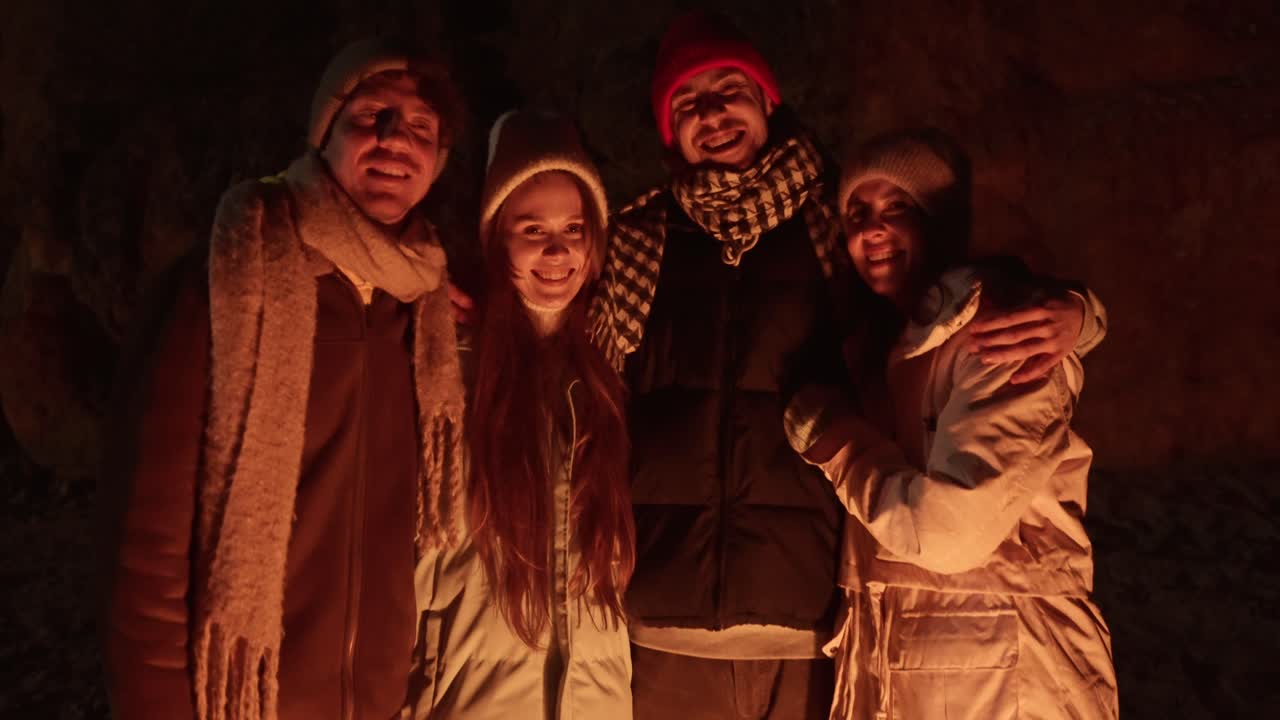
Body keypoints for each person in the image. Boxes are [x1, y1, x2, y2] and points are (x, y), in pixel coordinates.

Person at [585, 11, 1109, 719]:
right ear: (668, 131)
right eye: (687, 103)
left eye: (729, 89)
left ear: (768, 100)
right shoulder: (636, 243)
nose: (711, 114)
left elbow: (973, 282)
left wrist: (1078, 313)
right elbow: (570, 355)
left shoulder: (830, 224)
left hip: (810, 618)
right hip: (674, 616)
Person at [101, 39, 467, 720]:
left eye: (421, 127)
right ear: (325, 132)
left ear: (437, 160)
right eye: (372, 115)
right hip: (242, 697)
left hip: (377, 699)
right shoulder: (232, 278)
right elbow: (148, 541)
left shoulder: (425, 310)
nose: (395, 139)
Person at [785, 130, 1118, 719]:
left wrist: (840, 447)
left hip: (1008, 679)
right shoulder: (881, 346)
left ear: (939, 221)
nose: (871, 230)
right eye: (857, 213)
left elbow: (947, 533)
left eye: (897, 207)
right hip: (916, 667)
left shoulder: (1003, 335)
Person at [418, 111, 634, 719]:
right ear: (497, 240)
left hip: (595, 701)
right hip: (470, 695)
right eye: (531, 228)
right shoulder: (448, 362)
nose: (557, 248)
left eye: (573, 227)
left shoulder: (608, 374)